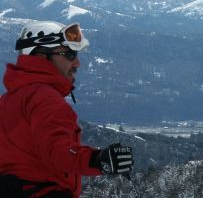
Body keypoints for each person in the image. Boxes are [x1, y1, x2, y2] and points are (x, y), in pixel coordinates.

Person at [0, 21, 134, 197]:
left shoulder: (9, 99)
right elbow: (57, 151)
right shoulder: (45, 99)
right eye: (69, 54)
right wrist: (98, 160)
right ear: (41, 56)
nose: (77, 63)